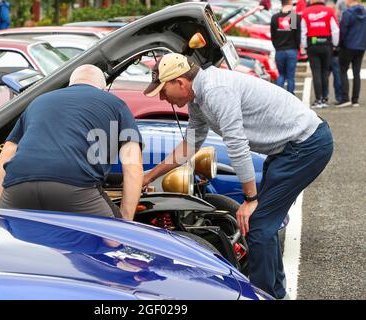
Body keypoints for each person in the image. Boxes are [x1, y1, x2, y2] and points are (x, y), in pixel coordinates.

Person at [142, 52, 333, 299]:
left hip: (306, 146)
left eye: (162, 90)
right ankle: (274, 293)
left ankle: (263, 295)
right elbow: (190, 145)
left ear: (180, 82)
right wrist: (150, 176)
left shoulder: (215, 90)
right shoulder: (198, 98)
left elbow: (237, 143)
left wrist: (250, 199)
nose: (161, 97)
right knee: (264, 223)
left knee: (259, 225)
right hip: (292, 149)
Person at [0, 64, 144, 221]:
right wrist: (126, 221)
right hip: (76, 187)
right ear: (103, 88)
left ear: (70, 83)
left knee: (15, 240)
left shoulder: (38, 102)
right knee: (114, 241)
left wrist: (3, 213)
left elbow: (3, 159)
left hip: (17, 188)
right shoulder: (115, 104)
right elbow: (133, 165)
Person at [301, 0, 340, 108]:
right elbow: (335, 30)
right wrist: (335, 45)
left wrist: (305, 47)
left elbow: (303, 32)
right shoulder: (329, 11)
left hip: (312, 45)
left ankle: (318, 99)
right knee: (325, 72)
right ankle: (324, 99)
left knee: (316, 72)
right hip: (326, 45)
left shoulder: (305, 12)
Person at [338, 0, 366, 107]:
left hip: (348, 46)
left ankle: (345, 98)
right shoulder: (365, 12)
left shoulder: (348, 13)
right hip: (361, 46)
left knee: (343, 70)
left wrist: (339, 44)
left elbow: (343, 31)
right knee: (356, 73)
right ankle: (355, 100)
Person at [271, 0, 301, 94]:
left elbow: (273, 35)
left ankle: (279, 96)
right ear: (290, 3)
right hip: (291, 50)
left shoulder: (275, 17)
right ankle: (290, 97)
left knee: (281, 75)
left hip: (280, 50)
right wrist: (297, 48)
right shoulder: (293, 16)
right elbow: (297, 35)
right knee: (290, 76)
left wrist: (277, 46)